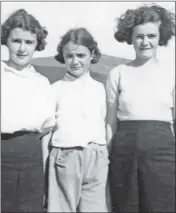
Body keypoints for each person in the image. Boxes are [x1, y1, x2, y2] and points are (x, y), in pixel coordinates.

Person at [106, 4, 175, 213]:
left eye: (151, 36)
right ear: (130, 37)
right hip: (124, 152)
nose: (145, 42)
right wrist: (108, 154)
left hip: (163, 152)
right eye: (139, 36)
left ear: (160, 37)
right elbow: (110, 121)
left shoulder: (171, 73)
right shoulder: (118, 73)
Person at [44, 27, 109, 212]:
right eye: (69, 56)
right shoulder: (56, 89)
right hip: (65, 156)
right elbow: (47, 131)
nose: (75, 61)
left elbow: (105, 122)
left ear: (92, 54)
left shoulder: (100, 89)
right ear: (62, 57)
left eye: (81, 55)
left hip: (97, 156)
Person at [1, 9, 55, 212]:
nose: (22, 48)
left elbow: (45, 133)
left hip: (31, 157)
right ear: (6, 41)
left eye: (29, 42)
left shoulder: (41, 83)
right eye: (16, 41)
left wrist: (41, 172)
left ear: (36, 45)